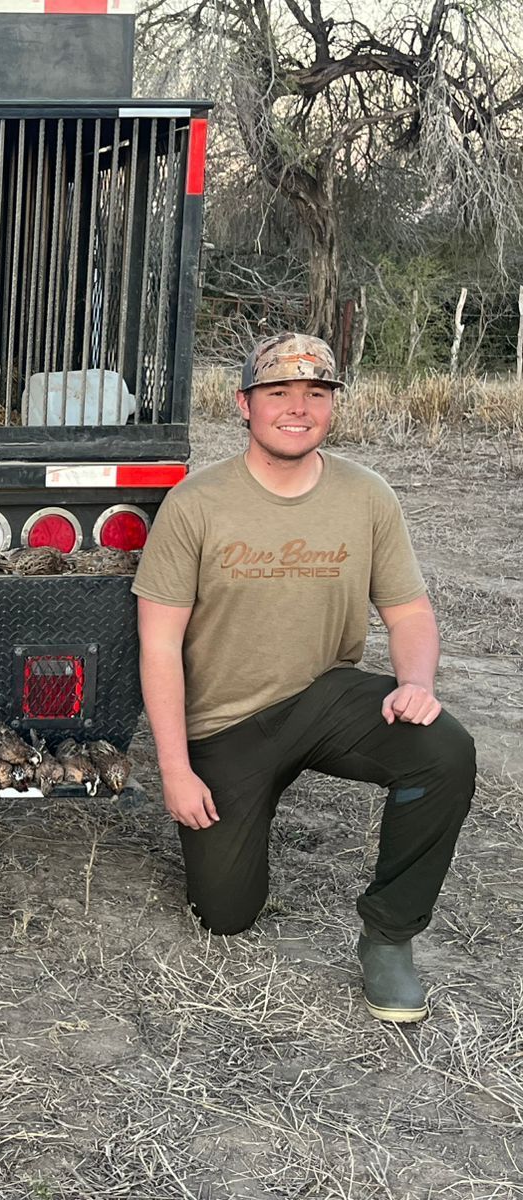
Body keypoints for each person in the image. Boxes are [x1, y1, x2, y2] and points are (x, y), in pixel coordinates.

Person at [133, 333, 475, 1023]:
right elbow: (159, 644)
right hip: (226, 727)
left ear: (332, 407)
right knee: (224, 916)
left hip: (325, 699)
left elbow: (409, 613)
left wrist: (416, 683)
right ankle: (249, 806)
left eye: (316, 394)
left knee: (444, 751)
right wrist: (174, 768)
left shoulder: (367, 496)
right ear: (244, 405)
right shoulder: (196, 504)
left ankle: (388, 939)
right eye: (279, 393)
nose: (298, 408)